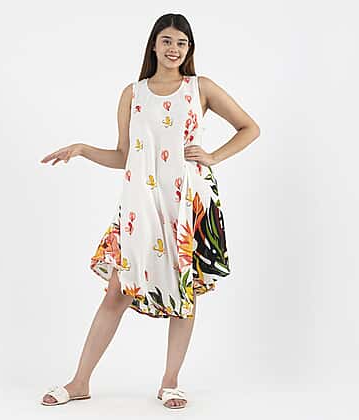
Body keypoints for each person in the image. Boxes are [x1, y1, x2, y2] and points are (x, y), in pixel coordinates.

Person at [39, 13, 260, 410]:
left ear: (189, 49)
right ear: (154, 45)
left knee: (185, 290)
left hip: (186, 203)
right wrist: (83, 149)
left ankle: (170, 382)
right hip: (140, 205)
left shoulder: (200, 88)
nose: (174, 49)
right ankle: (79, 381)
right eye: (167, 41)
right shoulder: (133, 93)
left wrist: (212, 156)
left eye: (181, 43)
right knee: (116, 291)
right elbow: (124, 156)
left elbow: (249, 128)